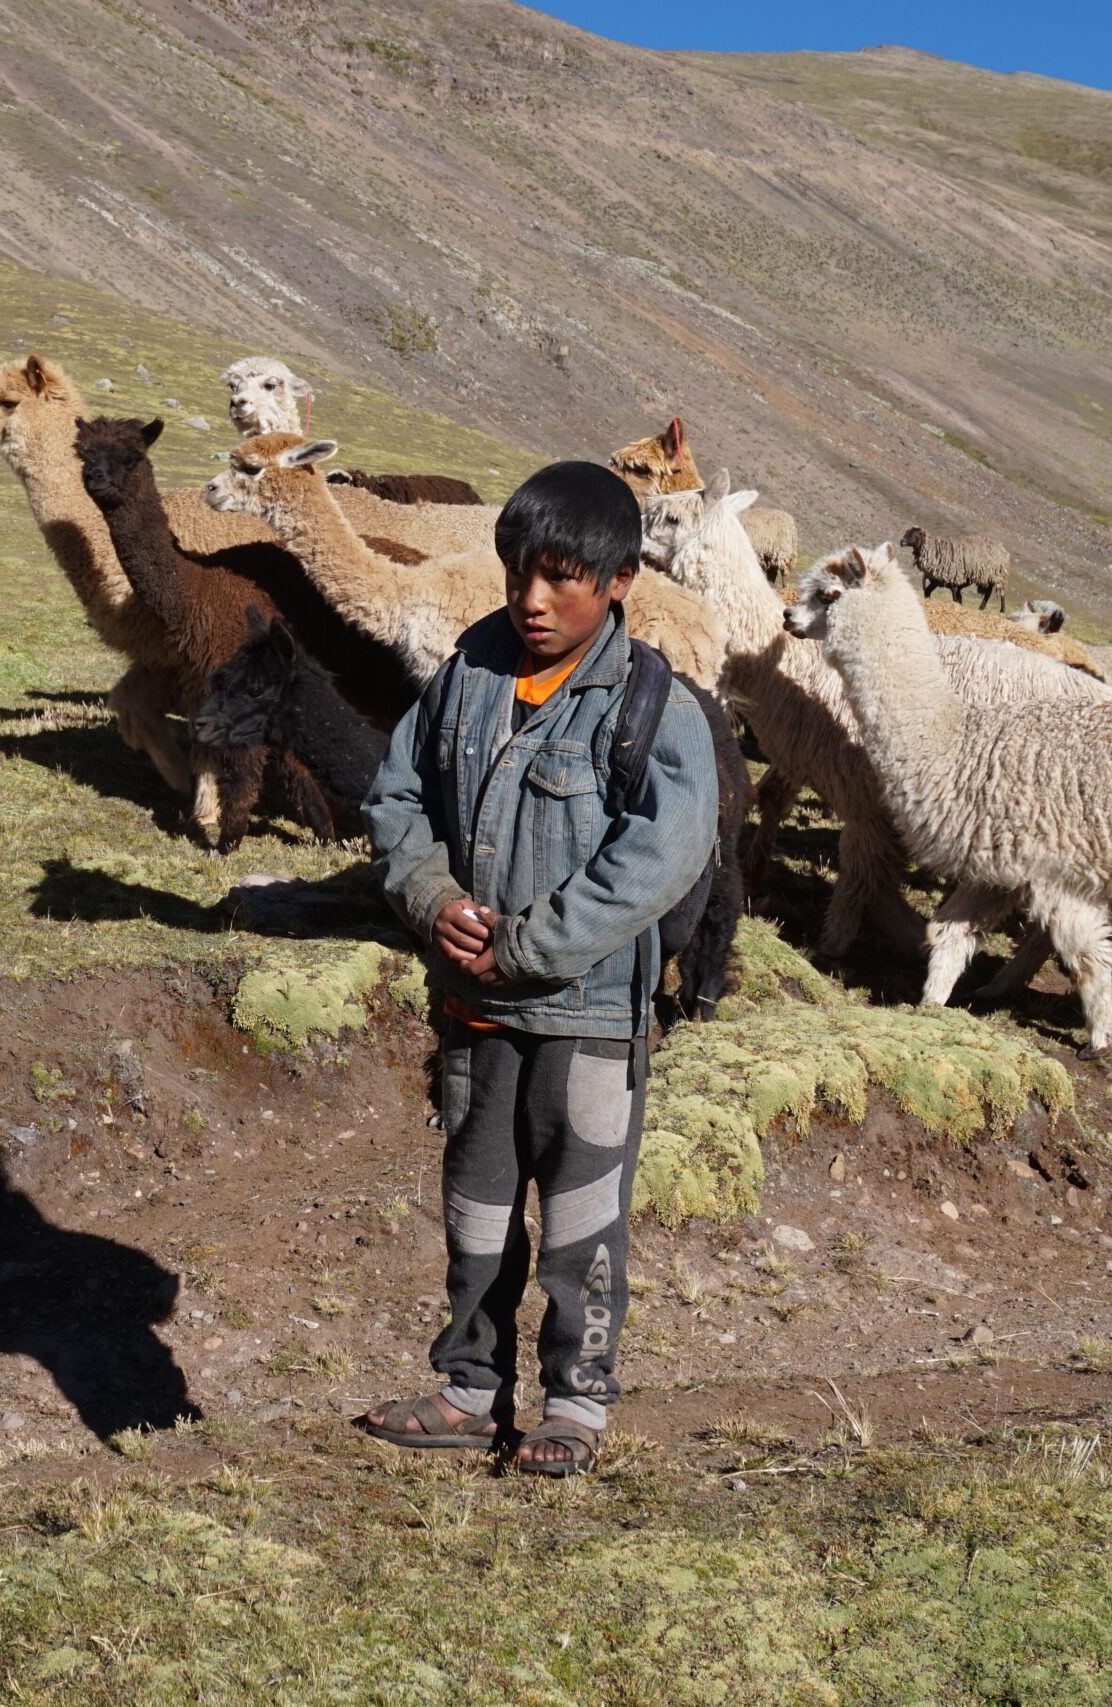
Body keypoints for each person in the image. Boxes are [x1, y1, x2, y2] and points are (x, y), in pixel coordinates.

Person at [357, 460, 718, 1477]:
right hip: (474, 1006)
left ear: (617, 582)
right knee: (474, 1213)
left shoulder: (653, 709)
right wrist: (434, 900)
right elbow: (395, 802)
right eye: (521, 570)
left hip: (590, 1014)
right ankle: (471, 1391)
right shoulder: (466, 678)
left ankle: (575, 1408)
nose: (531, 598)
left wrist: (527, 942)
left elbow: (660, 856)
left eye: (561, 577)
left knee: (580, 1225)